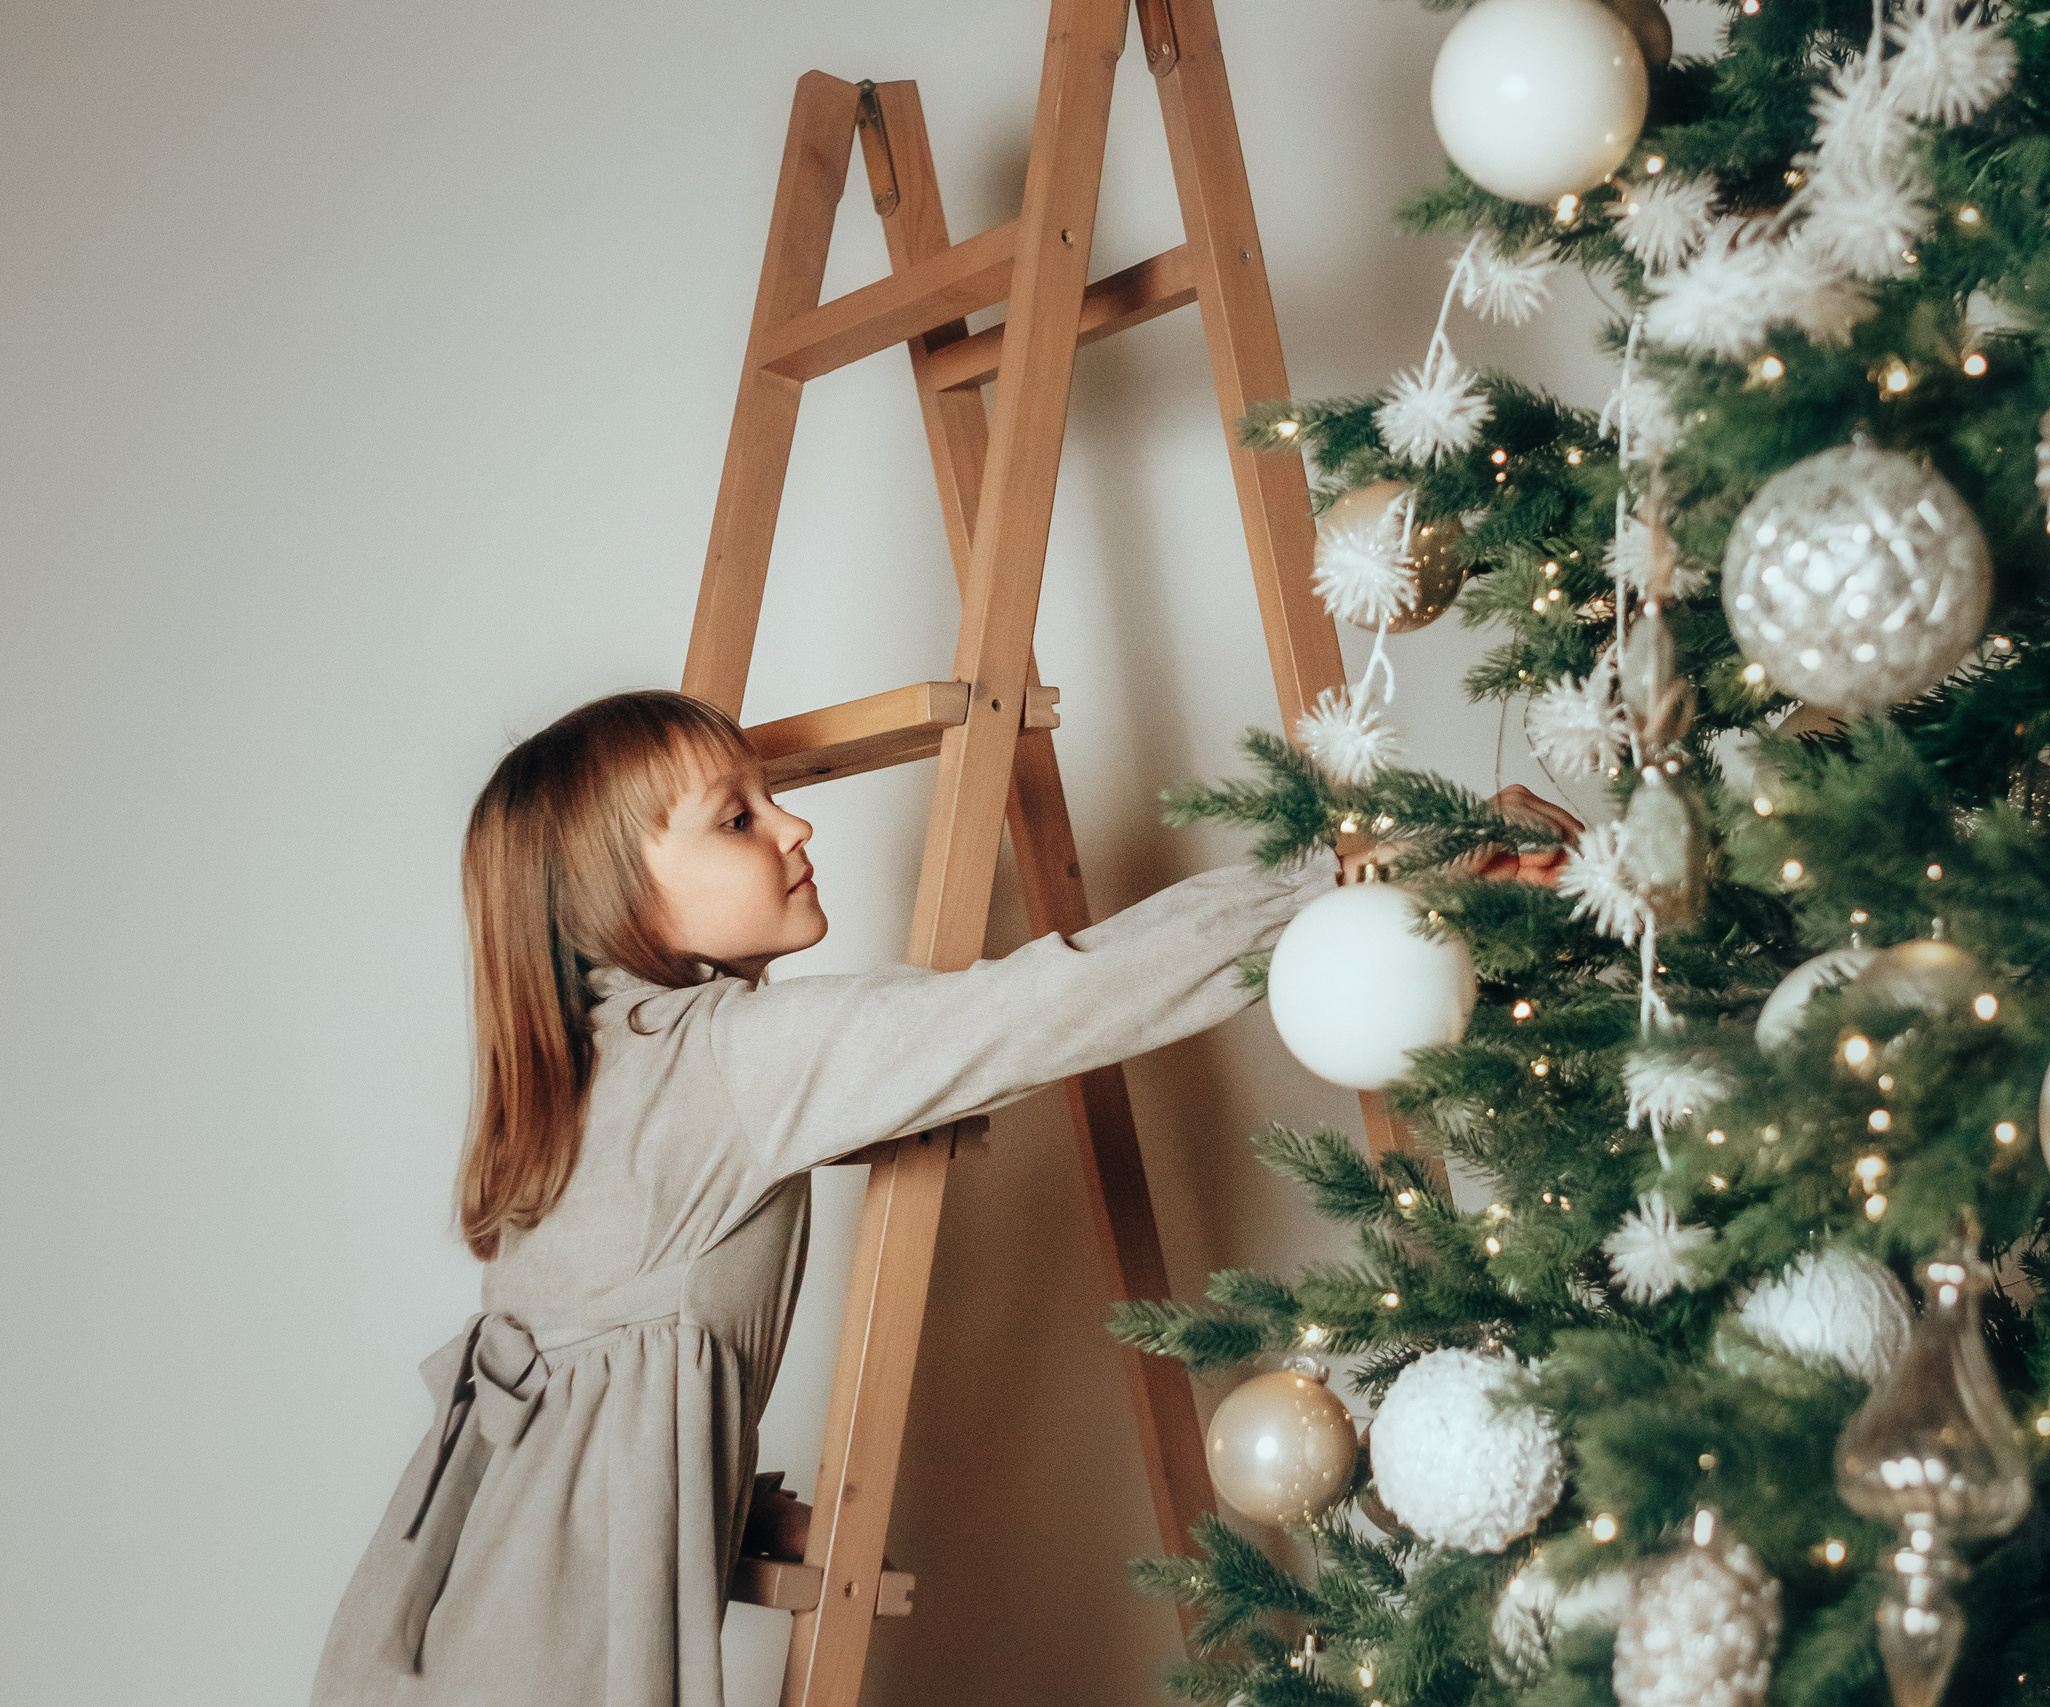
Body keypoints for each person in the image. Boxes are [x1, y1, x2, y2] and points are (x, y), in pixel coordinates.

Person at [311, 689, 1580, 1706]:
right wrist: (1376, 874)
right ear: (611, 892)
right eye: (737, 819)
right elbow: (1059, 997)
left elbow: (599, 1380)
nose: (796, 829)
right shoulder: (727, 1062)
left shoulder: (576, 1077)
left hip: (424, 1618)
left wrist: (706, 1494)